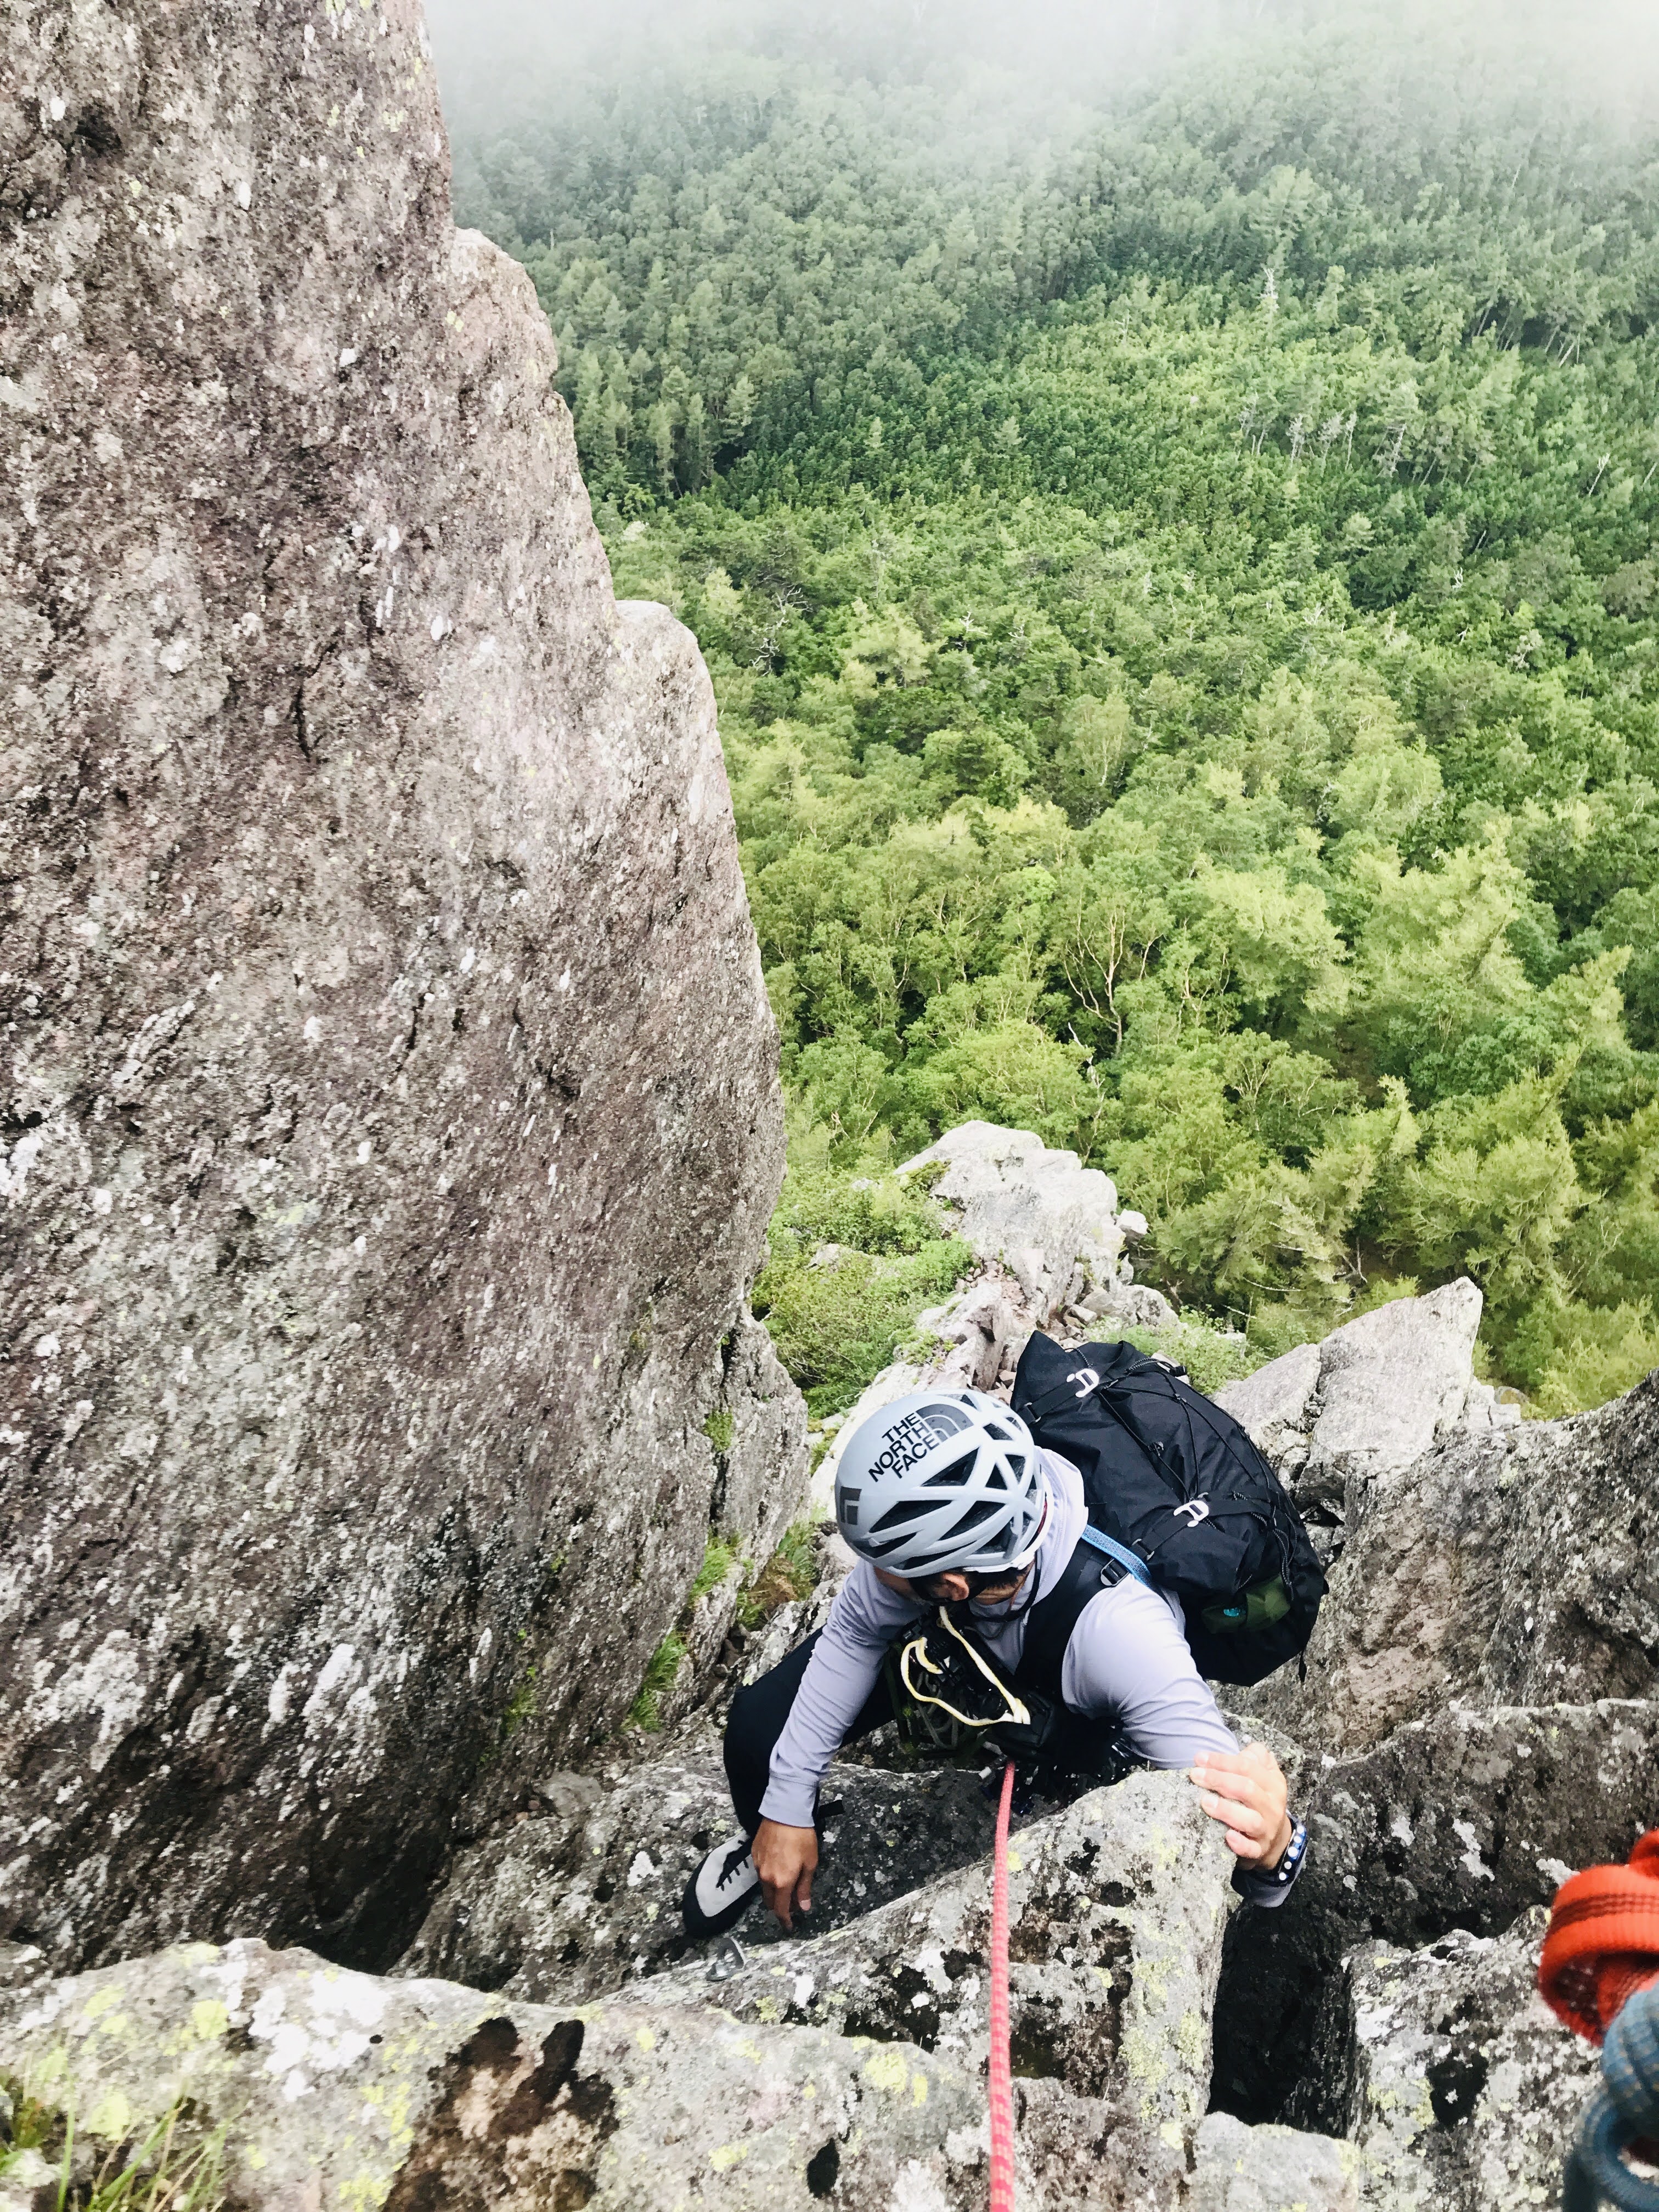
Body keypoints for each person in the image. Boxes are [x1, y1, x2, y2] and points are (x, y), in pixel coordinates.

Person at [684, 1387, 1307, 1938]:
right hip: (980, 1631)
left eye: (887, 1567)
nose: (872, 1579)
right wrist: (786, 1806)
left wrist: (1274, 1841)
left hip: (1068, 1676)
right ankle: (772, 1841)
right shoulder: (964, 1531)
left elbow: (1258, 1848)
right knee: (756, 1738)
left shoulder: (1125, 1641)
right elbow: (852, 1635)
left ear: (951, 1584)